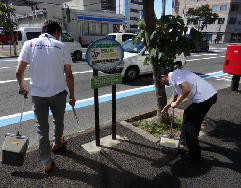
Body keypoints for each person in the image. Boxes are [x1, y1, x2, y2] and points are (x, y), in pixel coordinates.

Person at [16, 20, 75, 173]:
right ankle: (56, 144)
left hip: (38, 95)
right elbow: (69, 74)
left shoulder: (30, 44)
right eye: (59, 34)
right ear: (56, 31)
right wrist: (72, 96)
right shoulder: (61, 46)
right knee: (58, 120)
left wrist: (22, 87)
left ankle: (47, 162)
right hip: (59, 94)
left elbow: (19, 72)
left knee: (41, 129)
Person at [157, 68, 217, 163]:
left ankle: (194, 155)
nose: (163, 83)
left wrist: (176, 103)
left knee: (190, 126)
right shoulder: (175, 81)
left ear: (163, 76)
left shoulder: (174, 74)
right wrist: (164, 109)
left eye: (161, 81)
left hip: (205, 98)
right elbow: (173, 98)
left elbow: (186, 89)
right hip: (207, 96)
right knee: (187, 113)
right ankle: (185, 139)